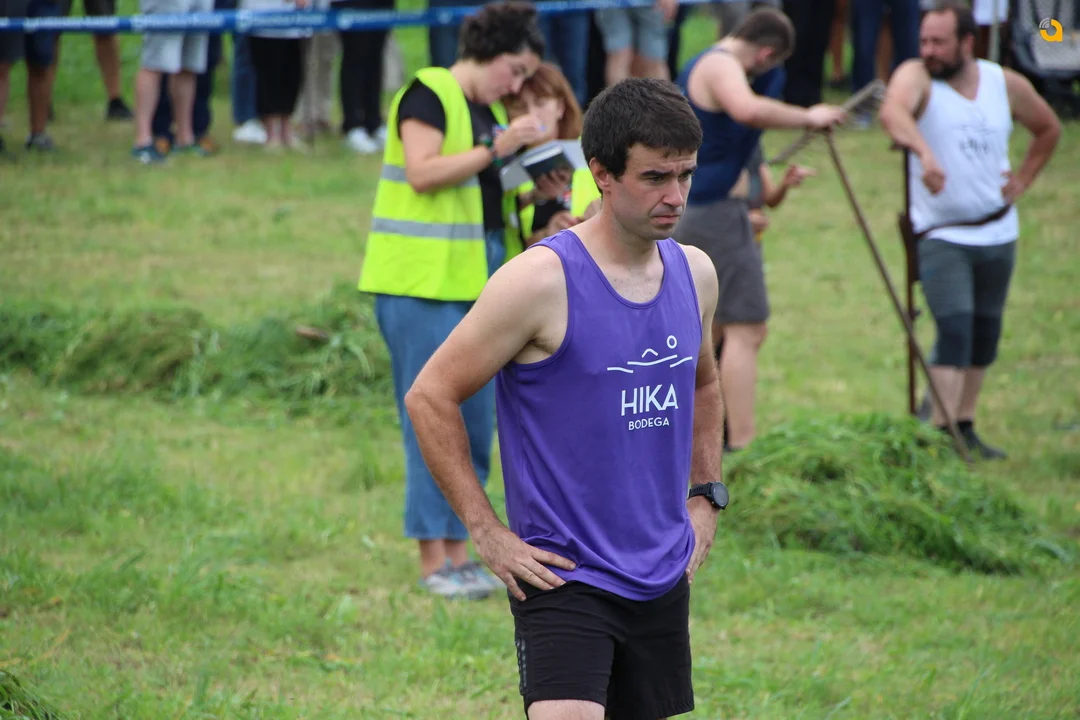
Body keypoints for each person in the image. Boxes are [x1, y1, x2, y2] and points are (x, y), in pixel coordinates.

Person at [404, 77, 727, 720]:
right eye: (655, 177)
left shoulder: (695, 272)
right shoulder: (538, 282)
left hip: (662, 571)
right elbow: (430, 394)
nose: (675, 196)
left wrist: (706, 496)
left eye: (685, 175)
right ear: (601, 173)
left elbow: (705, 382)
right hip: (562, 576)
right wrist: (485, 530)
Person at [358, 1, 568, 601]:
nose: (517, 86)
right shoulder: (429, 92)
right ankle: (435, 563)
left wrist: (541, 187)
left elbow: (484, 193)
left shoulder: (489, 113)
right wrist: (499, 149)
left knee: (473, 426)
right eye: (515, 70)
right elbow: (423, 173)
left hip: (474, 285)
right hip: (420, 287)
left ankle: (460, 556)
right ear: (488, 52)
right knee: (432, 421)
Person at [878, 1, 1060, 459]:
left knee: (984, 331)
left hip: (998, 231)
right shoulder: (917, 76)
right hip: (942, 234)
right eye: (924, 40)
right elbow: (893, 113)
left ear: (967, 42)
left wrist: (1024, 179)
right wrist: (925, 153)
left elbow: (1048, 128)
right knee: (955, 326)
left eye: (939, 42)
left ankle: (964, 423)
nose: (928, 50)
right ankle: (940, 435)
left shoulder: (1003, 83)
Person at [673, 7, 846, 451]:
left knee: (709, 331)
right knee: (746, 327)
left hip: (709, 209)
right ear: (767, 53)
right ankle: (742, 445)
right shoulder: (719, 65)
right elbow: (747, 109)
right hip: (714, 211)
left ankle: (696, 439)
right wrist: (809, 116)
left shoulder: (716, 63)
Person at [504, 62, 599, 246]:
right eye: (520, 106)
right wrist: (547, 234)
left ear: (560, 107)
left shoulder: (592, 150)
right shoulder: (504, 164)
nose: (531, 114)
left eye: (540, 103)